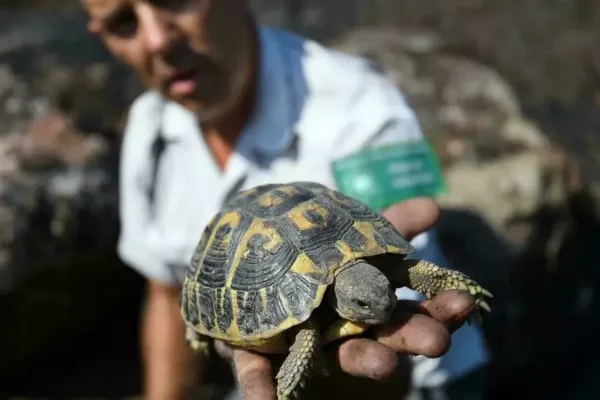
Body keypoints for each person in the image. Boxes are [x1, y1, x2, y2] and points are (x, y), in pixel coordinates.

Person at [80, 0, 491, 399]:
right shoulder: (148, 130)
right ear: (101, 37)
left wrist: (444, 283)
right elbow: (167, 292)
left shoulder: (361, 105)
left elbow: (399, 294)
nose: (157, 40)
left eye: (174, 0)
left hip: (421, 381)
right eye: (123, 22)